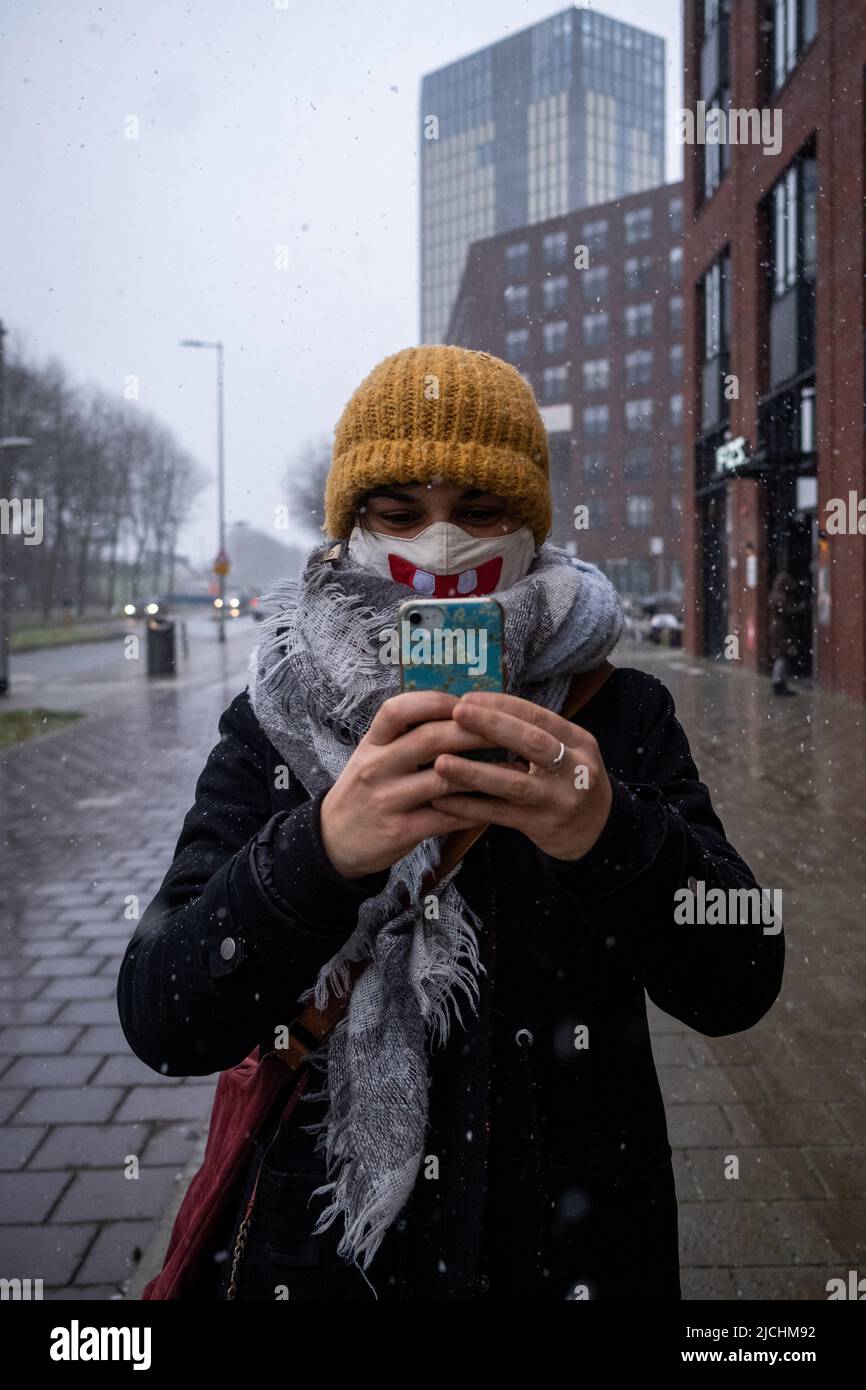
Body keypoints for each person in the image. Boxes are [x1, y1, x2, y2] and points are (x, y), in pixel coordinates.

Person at [117, 345, 784, 1301]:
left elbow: (743, 978)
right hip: (325, 1261)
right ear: (351, 528)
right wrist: (319, 852)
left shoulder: (618, 714)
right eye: (399, 513)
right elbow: (163, 1015)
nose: (440, 546)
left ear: (532, 524)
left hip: (571, 1250)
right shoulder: (277, 717)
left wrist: (611, 836)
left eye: (479, 510)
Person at [768, 569, 805, 696]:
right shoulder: (779, 596)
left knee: (781, 656)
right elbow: (785, 612)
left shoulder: (775, 595)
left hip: (779, 630)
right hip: (781, 631)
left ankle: (779, 683)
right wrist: (800, 608)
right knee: (782, 656)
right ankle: (778, 684)